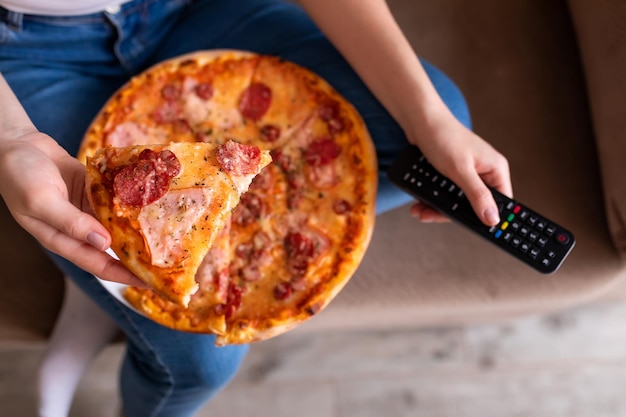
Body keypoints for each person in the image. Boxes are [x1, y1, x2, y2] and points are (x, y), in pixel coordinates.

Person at [0, 0, 512, 416]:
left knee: (435, 133)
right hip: (24, 48)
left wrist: (429, 118)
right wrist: (12, 137)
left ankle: (124, 272)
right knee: (198, 361)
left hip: (196, 8)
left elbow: (427, 119)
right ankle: (104, 285)